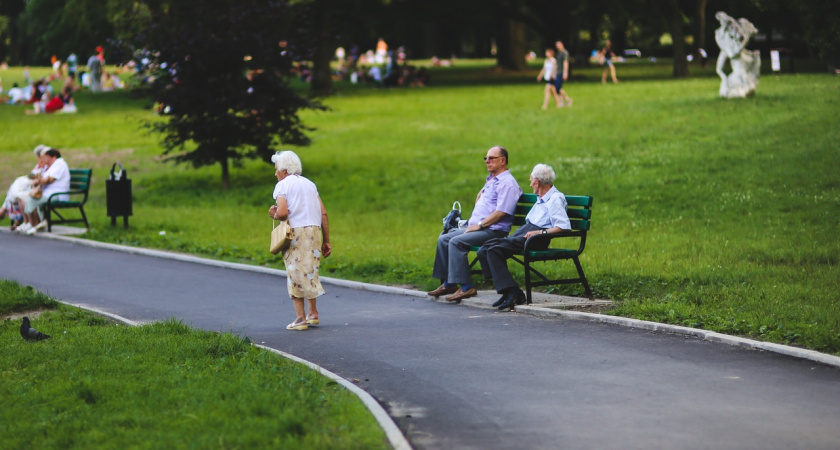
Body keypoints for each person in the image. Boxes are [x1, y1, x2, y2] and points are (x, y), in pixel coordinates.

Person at [428, 146, 523, 303]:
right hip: (479, 227)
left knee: (456, 242)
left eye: (491, 158)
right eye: (485, 158)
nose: (487, 161)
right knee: (444, 238)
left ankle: (466, 287)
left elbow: (502, 212)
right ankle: (449, 283)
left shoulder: (508, 183)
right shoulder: (492, 180)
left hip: (493, 231)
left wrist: (479, 225)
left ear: (502, 160)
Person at [477, 163, 571, 311]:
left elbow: (563, 226)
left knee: (494, 250)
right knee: (485, 249)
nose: (530, 183)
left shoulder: (555, 198)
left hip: (537, 238)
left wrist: (540, 233)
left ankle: (513, 292)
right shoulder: (541, 197)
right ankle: (507, 290)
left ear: (537, 182)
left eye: (531, 180)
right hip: (527, 232)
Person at [267, 150, 332, 331]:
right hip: (314, 232)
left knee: (294, 273)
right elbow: (323, 213)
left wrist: (274, 214)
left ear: (284, 169)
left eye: (276, 169)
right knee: (310, 271)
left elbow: (282, 213)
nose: (275, 173)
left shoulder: (282, 185)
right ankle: (313, 314)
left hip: (296, 233)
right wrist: (327, 240)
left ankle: (300, 319)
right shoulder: (310, 184)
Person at [18, 147, 71, 235]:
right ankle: (36, 222)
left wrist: (39, 180)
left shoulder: (59, 164)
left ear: (53, 156)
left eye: (47, 158)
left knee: (31, 199)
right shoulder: (52, 165)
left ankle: (36, 224)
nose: (45, 160)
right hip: (49, 193)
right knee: (26, 197)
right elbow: (39, 176)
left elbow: (50, 179)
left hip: (57, 194)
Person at [0, 145, 49, 230]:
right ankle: (23, 220)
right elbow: (32, 175)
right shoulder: (40, 165)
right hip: (32, 187)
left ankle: (5, 209)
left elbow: (41, 178)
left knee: (17, 190)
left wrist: (34, 178)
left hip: (37, 188)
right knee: (17, 189)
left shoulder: (47, 165)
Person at [554, 41, 573, 107]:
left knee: (557, 88)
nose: (557, 46)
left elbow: (566, 63)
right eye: (556, 45)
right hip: (558, 72)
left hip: (561, 72)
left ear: (562, 45)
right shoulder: (558, 53)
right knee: (558, 88)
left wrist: (565, 73)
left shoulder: (564, 53)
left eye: (558, 45)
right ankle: (562, 103)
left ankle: (568, 99)